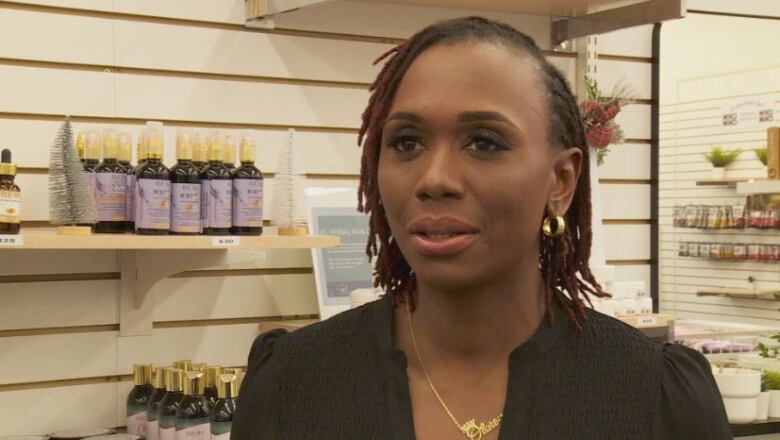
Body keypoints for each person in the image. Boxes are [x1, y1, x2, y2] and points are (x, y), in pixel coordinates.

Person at [231, 16, 731, 439]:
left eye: (485, 142)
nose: (435, 179)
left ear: (561, 179)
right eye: (406, 142)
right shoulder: (294, 382)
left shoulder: (652, 395)